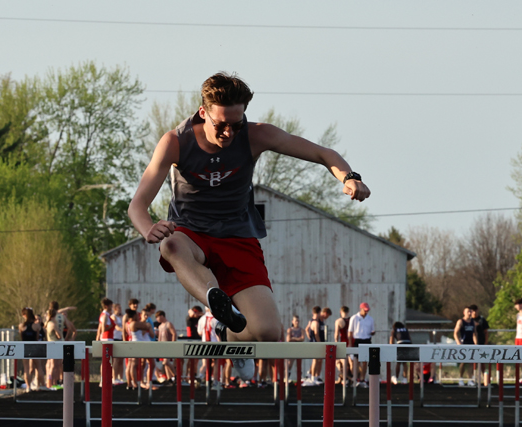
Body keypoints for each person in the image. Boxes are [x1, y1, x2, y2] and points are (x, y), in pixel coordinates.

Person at [127, 72, 369, 349]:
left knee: (267, 333)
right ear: (203, 112)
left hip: (238, 236)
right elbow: (137, 206)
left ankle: (225, 329)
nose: (229, 133)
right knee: (170, 245)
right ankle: (214, 301)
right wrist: (147, 228)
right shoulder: (175, 142)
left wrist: (349, 177)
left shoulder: (257, 135)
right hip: (191, 234)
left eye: (236, 124)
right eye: (221, 125)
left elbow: (323, 153)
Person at [348, 303, 375, 387]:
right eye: (365, 310)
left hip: (367, 340)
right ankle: (355, 378)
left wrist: (372, 333)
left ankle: (362, 379)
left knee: (365, 361)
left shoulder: (370, 319)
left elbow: (372, 330)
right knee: (356, 361)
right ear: (361, 309)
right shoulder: (354, 318)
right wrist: (350, 343)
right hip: (357, 340)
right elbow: (350, 331)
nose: (366, 312)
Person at [453, 306, 477, 387]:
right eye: (468, 312)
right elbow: (455, 333)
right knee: (463, 362)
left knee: (471, 362)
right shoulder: (461, 321)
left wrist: (476, 344)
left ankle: (470, 379)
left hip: (471, 343)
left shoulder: (473, 322)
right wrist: (458, 343)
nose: (470, 313)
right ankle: (461, 378)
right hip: (463, 343)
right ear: (464, 313)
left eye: (470, 311)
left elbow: (474, 333)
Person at [19, 307, 42, 390]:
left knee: (26, 368)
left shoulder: (21, 326)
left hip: (25, 346)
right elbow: (37, 337)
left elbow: (22, 336)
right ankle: (39, 385)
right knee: (38, 367)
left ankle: (28, 387)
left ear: (24, 315)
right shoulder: (36, 326)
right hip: (34, 346)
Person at [304, 306, 326, 386]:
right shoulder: (315, 323)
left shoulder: (311, 321)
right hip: (316, 344)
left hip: (314, 343)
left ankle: (314, 377)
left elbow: (306, 329)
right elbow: (316, 334)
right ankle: (313, 378)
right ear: (319, 312)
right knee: (315, 361)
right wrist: (320, 343)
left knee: (317, 360)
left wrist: (309, 337)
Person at [156, 310, 178, 383]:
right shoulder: (159, 326)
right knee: (165, 363)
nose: (157, 319)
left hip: (168, 346)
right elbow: (159, 337)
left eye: (157, 317)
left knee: (166, 362)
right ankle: (169, 378)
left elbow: (174, 334)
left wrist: (172, 344)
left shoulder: (168, 324)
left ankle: (175, 375)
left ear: (162, 316)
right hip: (162, 347)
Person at [334, 306, 351, 385]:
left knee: (340, 360)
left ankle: (344, 377)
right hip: (350, 342)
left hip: (342, 342)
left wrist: (336, 342)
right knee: (347, 361)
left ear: (340, 312)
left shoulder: (338, 321)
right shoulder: (351, 320)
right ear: (348, 312)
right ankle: (343, 377)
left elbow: (336, 334)